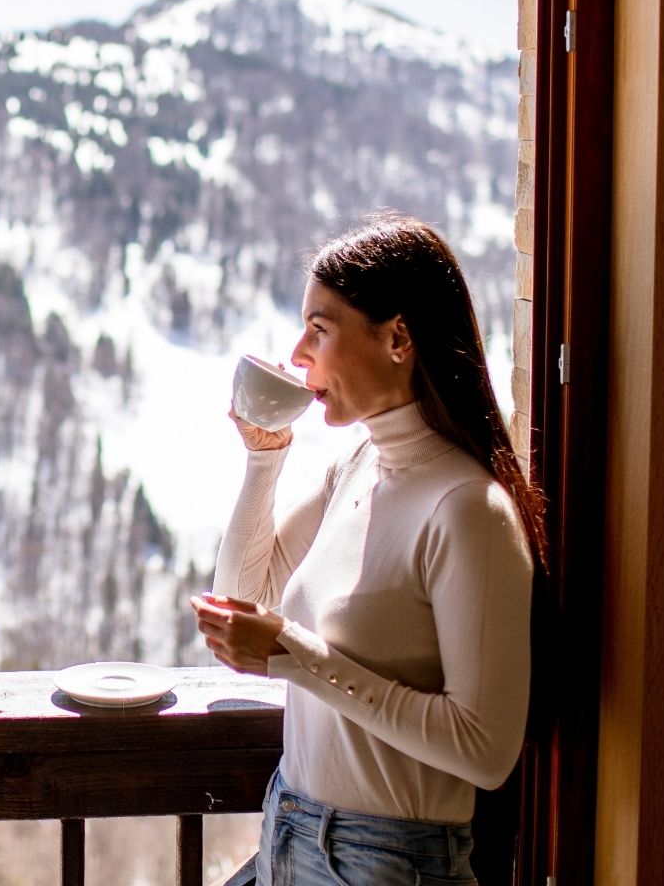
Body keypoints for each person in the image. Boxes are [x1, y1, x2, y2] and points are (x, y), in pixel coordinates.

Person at [193, 213, 542, 886]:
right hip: (290, 824)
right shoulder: (356, 469)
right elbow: (243, 592)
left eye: (320, 330)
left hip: (388, 862)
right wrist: (265, 460)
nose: (298, 352)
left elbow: (485, 749)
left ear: (398, 338)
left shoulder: (468, 512)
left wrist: (297, 656)